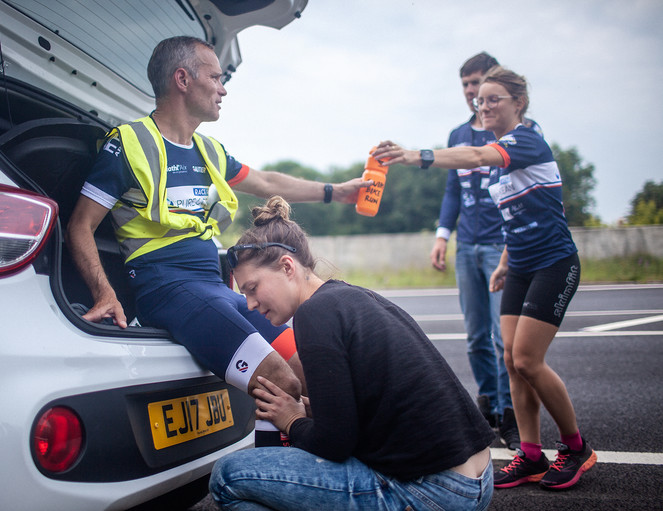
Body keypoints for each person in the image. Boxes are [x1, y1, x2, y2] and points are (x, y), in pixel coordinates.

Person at [66, 36, 369, 445]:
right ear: (183, 79)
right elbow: (80, 225)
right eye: (216, 77)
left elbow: (266, 182)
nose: (223, 89)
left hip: (216, 289)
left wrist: (337, 191)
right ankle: (273, 478)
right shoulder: (129, 143)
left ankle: (321, 462)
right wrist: (104, 293)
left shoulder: (208, 150)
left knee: (310, 369)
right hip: (168, 291)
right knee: (281, 381)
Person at [372, 66, 597, 491]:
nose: (484, 105)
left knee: (528, 359)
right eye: (480, 101)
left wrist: (412, 155)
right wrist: (505, 263)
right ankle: (530, 454)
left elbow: (474, 156)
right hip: (522, 265)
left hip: (554, 263)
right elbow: (523, 214)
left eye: (494, 99)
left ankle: (576, 447)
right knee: (510, 359)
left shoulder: (525, 140)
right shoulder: (502, 159)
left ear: (519, 103)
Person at [209, 196, 495, 510]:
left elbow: (334, 444)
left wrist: (291, 420)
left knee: (227, 477)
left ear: (287, 266)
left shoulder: (314, 314)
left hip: (433, 491)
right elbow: (363, 409)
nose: (249, 304)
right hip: (478, 477)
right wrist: (312, 410)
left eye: (252, 288)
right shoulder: (351, 296)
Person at [432, 52, 536, 451]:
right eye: (466, 85)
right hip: (468, 244)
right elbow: (453, 190)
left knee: (503, 339)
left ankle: (512, 414)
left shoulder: (516, 130)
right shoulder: (458, 134)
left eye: (479, 83)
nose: (473, 93)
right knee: (476, 336)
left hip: (502, 245)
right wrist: (443, 235)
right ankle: (490, 404)